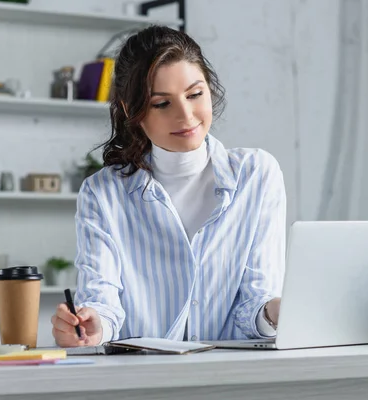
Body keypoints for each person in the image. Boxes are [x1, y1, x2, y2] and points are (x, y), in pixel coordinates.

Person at [51, 25, 286, 347]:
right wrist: (94, 327)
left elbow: (255, 301)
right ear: (130, 110)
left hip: (233, 375)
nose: (186, 116)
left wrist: (277, 311)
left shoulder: (256, 174)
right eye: (162, 103)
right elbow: (102, 301)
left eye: (195, 95)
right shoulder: (103, 192)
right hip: (143, 380)